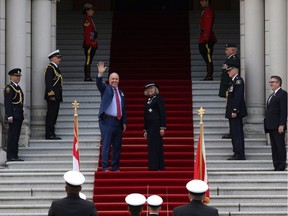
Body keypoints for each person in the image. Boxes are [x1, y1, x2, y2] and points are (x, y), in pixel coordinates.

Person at [96, 61, 127, 172]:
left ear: (119, 80)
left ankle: (115, 167)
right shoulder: (106, 89)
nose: (114, 80)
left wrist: (124, 122)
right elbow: (99, 84)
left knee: (117, 146)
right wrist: (100, 74)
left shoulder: (121, 92)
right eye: (112, 79)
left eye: (116, 79)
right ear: (109, 80)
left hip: (118, 122)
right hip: (107, 121)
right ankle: (105, 167)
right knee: (106, 145)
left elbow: (123, 108)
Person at [264, 76, 287, 171]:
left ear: (278, 83)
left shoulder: (283, 94)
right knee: (274, 147)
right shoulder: (272, 95)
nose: (270, 84)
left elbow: (284, 110)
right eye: (270, 82)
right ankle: (276, 165)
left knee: (280, 146)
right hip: (271, 125)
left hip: (278, 126)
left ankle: (281, 165)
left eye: (272, 82)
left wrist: (282, 124)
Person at [225, 62, 247, 160]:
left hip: (235, 112)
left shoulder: (238, 81)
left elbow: (238, 97)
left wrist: (234, 110)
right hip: (232, 112)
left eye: (229, 70)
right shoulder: (233, 81)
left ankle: (239, 154)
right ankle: (236, 152)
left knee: (237, 133)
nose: (228, 72)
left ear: (235, 70)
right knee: (234, 133)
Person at [143, 81, 166, 171]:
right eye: (148, 89)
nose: (150, 90)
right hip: (150, 127)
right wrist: (145, 129)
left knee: (157, 146)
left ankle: (158, 166)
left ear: (155, 89)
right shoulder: (147, 101)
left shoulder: (158, 98)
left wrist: (162, 127)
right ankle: (153, 166)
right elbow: (145, 116)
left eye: (152, 88)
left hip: (157, 126)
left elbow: (162, 113)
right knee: (151, 146)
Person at [219, 43, 240, 139]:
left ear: (232, 50)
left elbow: (229, 76)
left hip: (230, 89)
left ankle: (233, 132)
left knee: (231, 109)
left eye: (227, 49)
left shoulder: (234, 59)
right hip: (228, 89)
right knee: (229, 110)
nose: (225, 51)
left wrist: (228, 87)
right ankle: (232, 132)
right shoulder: (230, 59)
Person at [4, 68, 24, 162]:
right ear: (11, 76)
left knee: (16, 136)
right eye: (16, 76)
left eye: (19, 76)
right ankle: (11, 155)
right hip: (13, 115)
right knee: (12, 136)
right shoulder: (9, 88)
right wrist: (9, 115)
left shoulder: (17, 87)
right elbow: (7, 103)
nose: (18, 78)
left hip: (18, 115)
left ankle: (15, 155)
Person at [44, 50, 63, 140]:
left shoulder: (55, 68)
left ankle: (52, 132)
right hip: (53, 96)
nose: (59, 59)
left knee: (54, 114)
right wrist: (51, 95)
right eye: (58, 58)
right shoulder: (50, 68)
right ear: (53, 58)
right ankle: (49, 134)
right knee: (51, 115)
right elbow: (48, 82)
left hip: (56, 96)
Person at [198, 0, 217, 81]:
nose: (200, 3)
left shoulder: (208, 11)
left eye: (202, 1)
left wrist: (206, 38)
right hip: (204, 37)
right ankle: (209, 74)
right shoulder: (205, 11)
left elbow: (208, 26)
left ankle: (209, 75)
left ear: (207, 1)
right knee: (206, 56)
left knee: (208, 57)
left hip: (207, 38)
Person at [82, 3, 98, 81]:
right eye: (91, 10)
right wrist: (89, 44)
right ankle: (87, 76)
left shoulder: (90, 19)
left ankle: (88, 76)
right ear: (87, 11)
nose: (93, 11)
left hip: (92, 43)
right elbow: (87, 33)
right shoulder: (87, 20)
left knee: (89, 60)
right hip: (90, 44)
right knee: (88, 60)